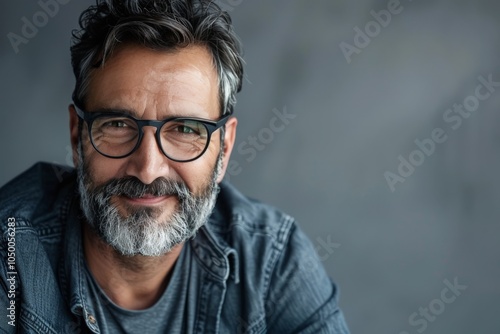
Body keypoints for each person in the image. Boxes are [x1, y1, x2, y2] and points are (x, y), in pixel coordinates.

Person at [0, 0, 350, 333]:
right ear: (78, 135)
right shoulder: (9, 254)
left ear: (224, 147)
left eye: (185, 130)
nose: (148, 169)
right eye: (118, 125)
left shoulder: (272, 260)